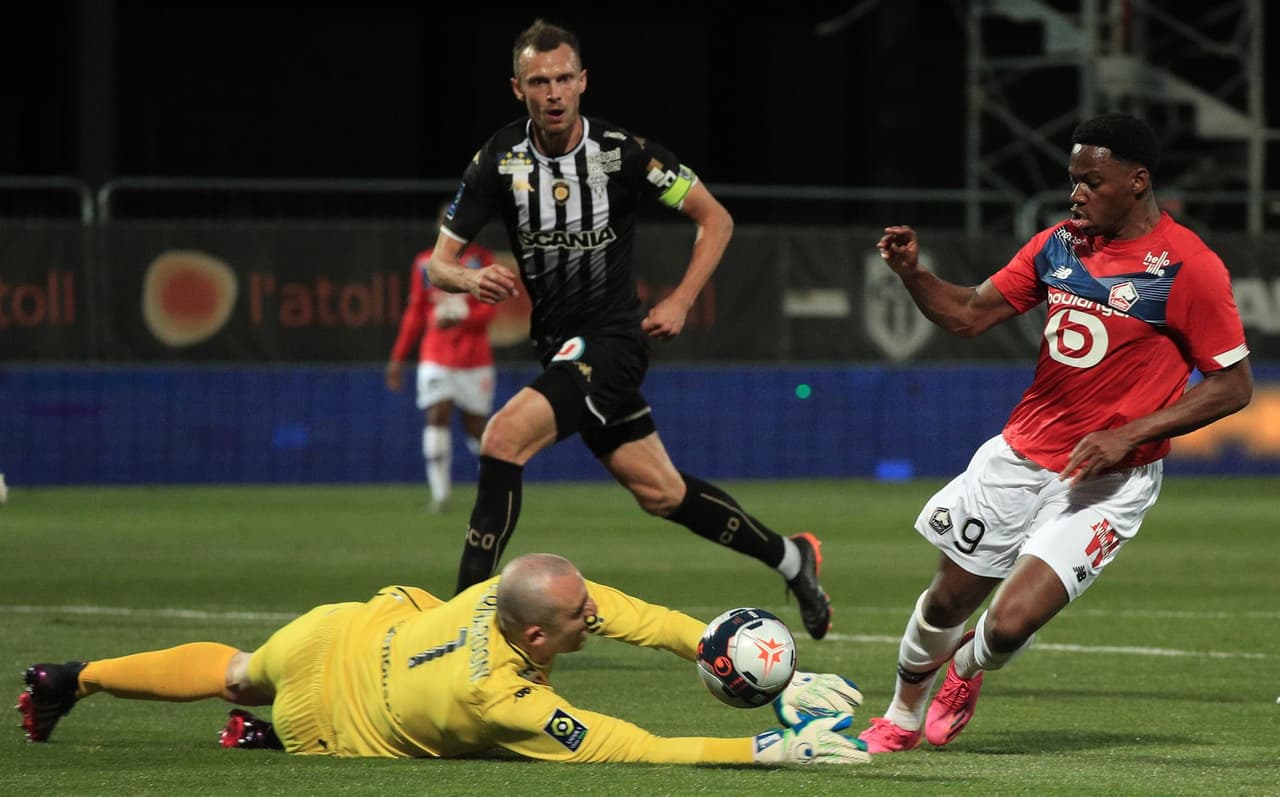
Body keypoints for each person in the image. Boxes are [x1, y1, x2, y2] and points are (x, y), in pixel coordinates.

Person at [856, 112, 1253, 753]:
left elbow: (1233, 386)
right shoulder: (1058, 246)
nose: (1076, 194)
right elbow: (969, 314)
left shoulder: (1189, 267)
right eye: (1073, 180)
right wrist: (912, 274)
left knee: (1008, 626)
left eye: (1092, 182)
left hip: (1108, 481)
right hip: (1019, 458)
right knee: (946, 601)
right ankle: (900, 718)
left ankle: (965, 669)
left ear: (1137, 181)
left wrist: (1129, 434)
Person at [427, 19, 835, 640]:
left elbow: (715, 219)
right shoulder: (499, 160)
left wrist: (681, 300)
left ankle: (461, 624)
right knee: (662, 493)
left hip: (612, 344)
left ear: (583, 81)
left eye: (564, 78)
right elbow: (440, 264)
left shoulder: (622, 153)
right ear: (518, 89)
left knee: (503, 438)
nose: (554, 92)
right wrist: (468, 278)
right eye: (539, 81)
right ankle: (791, 557)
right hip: (560, 351)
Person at [18, 553, 869, 765]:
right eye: (580, 616)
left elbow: (640, 618)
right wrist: (763, 748)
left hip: (340, 631)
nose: (595, 616)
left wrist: (749, 661)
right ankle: (270, 734)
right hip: (337, 712)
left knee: (239, 670)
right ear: (536, 637)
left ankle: (74, 676)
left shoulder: (521, 589)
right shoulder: (502, 693)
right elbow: (629, 745)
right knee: (495, 747)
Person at [385, 203, 502, 513]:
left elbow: (490, 310)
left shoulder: (482, 261)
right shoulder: (426, 263)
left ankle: (496, 489)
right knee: (437, 413)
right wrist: (398, 358)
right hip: (436, 354)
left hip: (474, 358)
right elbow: (415, 313)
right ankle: (440, 495)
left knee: (475, 427)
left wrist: (461, 319)